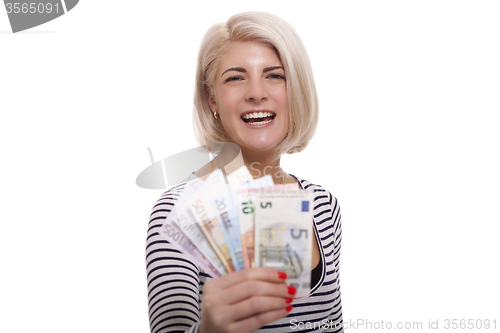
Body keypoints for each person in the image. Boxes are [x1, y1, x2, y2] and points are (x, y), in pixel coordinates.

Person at [146, 12, 343, 333]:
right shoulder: (177, 212)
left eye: (275, 75)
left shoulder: (323, 205)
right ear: (212, 99)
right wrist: (210, 329)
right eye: (236, 78)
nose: (256, 92)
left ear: (297, 91)